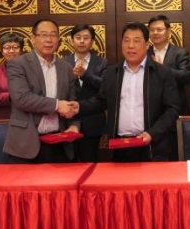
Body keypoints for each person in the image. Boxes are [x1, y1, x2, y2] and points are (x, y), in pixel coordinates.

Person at [73, 22, 179, 162]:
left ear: (147, 45)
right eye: (126, 40)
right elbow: (101, 101)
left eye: (136, 41)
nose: (131, 46)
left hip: (153, 146)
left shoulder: (162, 73)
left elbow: (172, 109)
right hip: (120, 146)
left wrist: (152, 133)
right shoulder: (112, 73)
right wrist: (78, 107)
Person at [3, 19, 79, 163]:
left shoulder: (66, 68)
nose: (49, 40)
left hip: (59, 143)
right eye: (43, 35)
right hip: (26, 144)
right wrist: (57, 105)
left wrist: (74, 125)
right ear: (33, 38)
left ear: (59, 39)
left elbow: (71, 102)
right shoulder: (17, 64)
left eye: (53, 35)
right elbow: (21, 98)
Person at [147, 14, 190, 160]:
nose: (155, 33)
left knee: (175, 155)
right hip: (151, 113)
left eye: (159, 29)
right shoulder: (144, 53)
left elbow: (186, 76)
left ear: (168, 32)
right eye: (152, 30)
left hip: (173, 111)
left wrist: (162, 68)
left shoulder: (180, 53)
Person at [63, 24, 108, 162]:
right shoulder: (63, 63)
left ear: (92, 41)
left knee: (89, 161)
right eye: (78, 37)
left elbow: (105, 87)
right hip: (67, 120)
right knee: (68, 163)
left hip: (92, 120)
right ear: (72, 40)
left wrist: (85, 75)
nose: (81, 41)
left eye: (86, 38)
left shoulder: (102, 62)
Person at [0, 32, 24, 120]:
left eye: (15, 47)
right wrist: (11, 96)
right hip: (0, 118)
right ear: (2, 51)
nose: (11, 51)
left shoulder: (29, 70)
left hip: (25, 118)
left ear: (21, 50)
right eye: (7, 47)